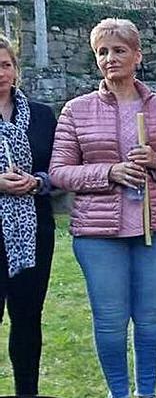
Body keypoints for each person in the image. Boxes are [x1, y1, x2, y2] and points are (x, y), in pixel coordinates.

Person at [49, 18, 156, 398]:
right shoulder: (76, 111)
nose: (110, 58)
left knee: (149, 321)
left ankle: (146, 392)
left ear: (137, 56)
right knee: (111, 322)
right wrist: (109, 172)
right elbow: (60, 172)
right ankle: (119, 393)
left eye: (118, 50)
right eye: (102, 52)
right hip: (99, 235)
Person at [0, 35, 56, 397]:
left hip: (34, 231)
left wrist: (37, 182)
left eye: (5, 65)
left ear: (16, 70)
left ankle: (27, 392)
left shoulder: (41, 115)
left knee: (26, 318)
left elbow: (61, 167)